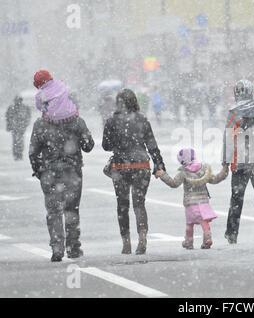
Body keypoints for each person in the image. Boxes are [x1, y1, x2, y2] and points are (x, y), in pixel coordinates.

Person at [29, 70, 94, 262]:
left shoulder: (40, 125)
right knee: (71, 209)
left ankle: (57, 247)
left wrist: (40, 170)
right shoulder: (76, 120)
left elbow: (33, 153)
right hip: (73, 171)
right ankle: (73, 248)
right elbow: (89, 146)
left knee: (53, 211)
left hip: (49, 173)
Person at [102, 88, 166, 255]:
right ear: (135, 102)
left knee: (122, 205)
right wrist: (159, 165)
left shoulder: (111, 121)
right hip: (141, 165)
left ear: (118, 103)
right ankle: (142, 237)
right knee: (139, 204)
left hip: (120, 167)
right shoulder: (142, 120)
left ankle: (126, 242)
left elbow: (105, 146)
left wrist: (116, 139)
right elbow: (152, 145)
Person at [222, 79, 254, 245]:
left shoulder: (234, 113)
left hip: (240, 162)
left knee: (237, 198)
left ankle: (232, 232)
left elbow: (229, 140)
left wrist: (225, 162)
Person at [156, 148, 228, 249]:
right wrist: (223, 173)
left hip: (190, 202)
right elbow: (214, 179)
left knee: (189, 224)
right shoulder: (203, 170)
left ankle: (189, 242)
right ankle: (207, 238)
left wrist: (162, 174)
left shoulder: (183, 172)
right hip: (203, 202)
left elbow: (174, 183)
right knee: (204, 221)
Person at [6, 96, 31, 160]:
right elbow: (8, 117)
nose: (18, 102)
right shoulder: (12, 108)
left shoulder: (25, 108)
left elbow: (28, 117)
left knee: (19, 140)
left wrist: (25, 124)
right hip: (15, 127)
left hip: (20, 127)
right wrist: (9, 125)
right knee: (16, 140)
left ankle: (19, 154)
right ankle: (16, 154)